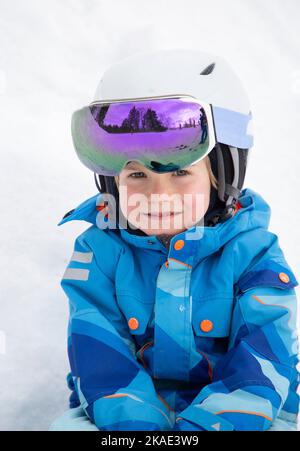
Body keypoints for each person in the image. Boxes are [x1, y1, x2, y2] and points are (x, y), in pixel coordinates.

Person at [49, 49, 299, 431]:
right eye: (136, 177)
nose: (156, 193)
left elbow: (262, 359)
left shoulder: (253, 253)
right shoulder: (98, 253)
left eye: (180, 172)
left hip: (247, 413)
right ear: (111, 182)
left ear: (222, 175)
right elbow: (100, 358)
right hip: (123, 412)